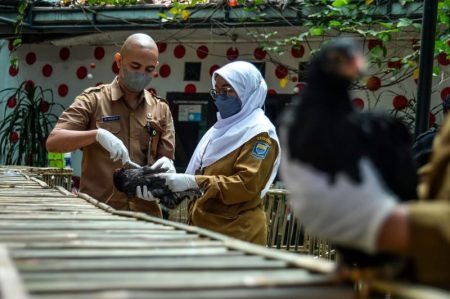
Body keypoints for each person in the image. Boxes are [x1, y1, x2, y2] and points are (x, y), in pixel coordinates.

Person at [280, 40, 450, 289]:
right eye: (340, 60)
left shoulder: (375, 133)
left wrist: (396, 225)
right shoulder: (295, 123)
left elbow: (405, 197)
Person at [137, 61, 280, 245]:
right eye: (217, 90)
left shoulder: (260, 134)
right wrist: (162, 186)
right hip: (205, 231)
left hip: (237, 235)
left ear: (248, 91)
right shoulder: (218, 131)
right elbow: (200, 176)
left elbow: (246, 185)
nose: (221, 95)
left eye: (228, 89)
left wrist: (193, 182)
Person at [46, 33, 175, 217]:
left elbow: (166, 160)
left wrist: (166, 170)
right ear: (119, 60)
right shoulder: (93, 100)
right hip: (97, 214)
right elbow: (54, 142)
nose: (142, 74)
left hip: (146, 217)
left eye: (149, 69)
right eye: (135, 66)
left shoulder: (161, 109)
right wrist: (96, 135)